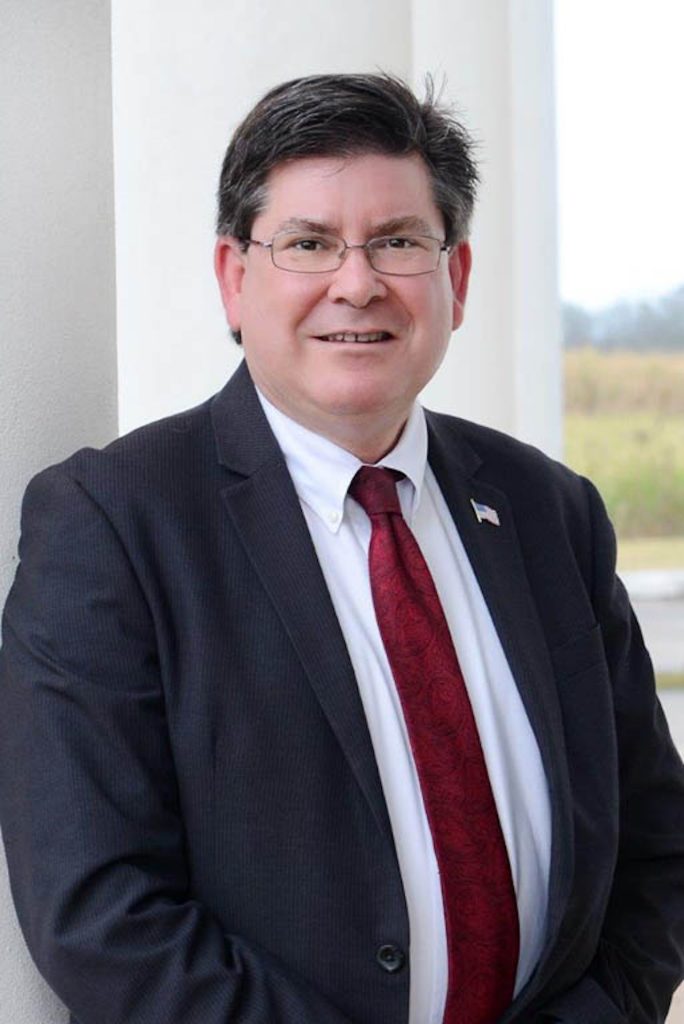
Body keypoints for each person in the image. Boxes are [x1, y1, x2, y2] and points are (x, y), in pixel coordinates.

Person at [0, 73, 682, 1024]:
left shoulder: (549, 511)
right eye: (309, 243)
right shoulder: (115, 522)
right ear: (234, 278)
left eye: (398, 241)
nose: (357, 283)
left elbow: (656, 850)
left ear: (456, 278)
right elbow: (101, 915)